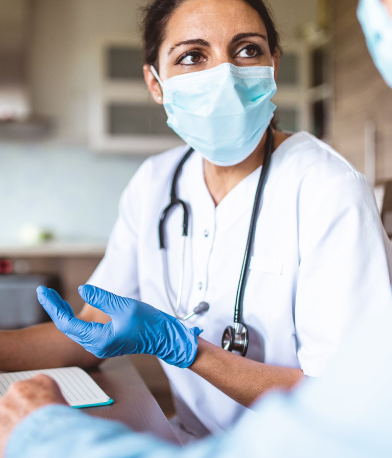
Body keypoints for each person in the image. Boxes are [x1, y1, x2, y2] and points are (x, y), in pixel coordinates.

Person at [1, 0, 392, 443]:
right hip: (188, 440)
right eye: (192, 56)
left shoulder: (329, 189)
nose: (224, 75)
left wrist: (190, 352)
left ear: (273, 66)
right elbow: (91, 328)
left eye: (247, 51)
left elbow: (345, 405)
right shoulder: (155, 182)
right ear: (155, 83)